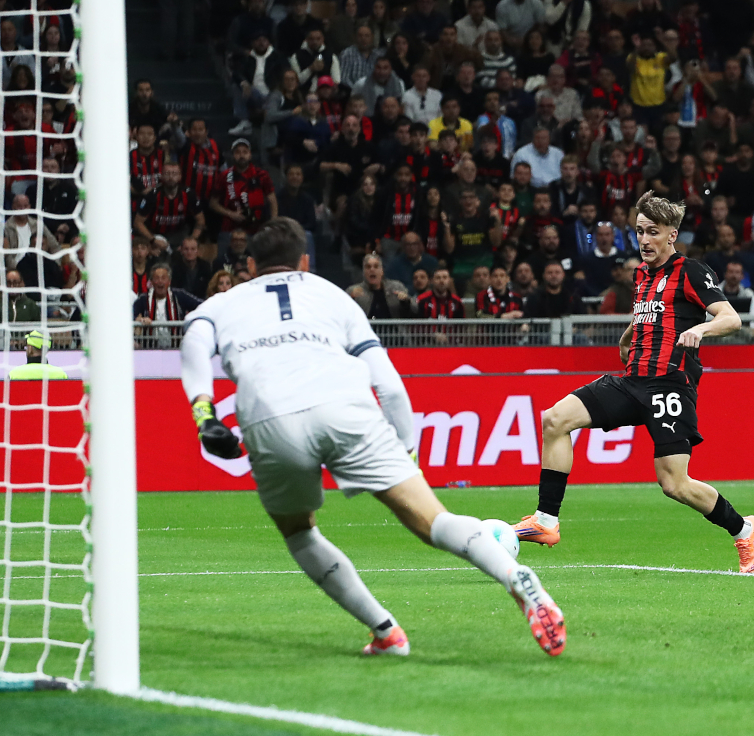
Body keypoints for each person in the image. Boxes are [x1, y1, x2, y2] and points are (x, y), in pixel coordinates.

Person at [178, 218, 566, 657]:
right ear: (304, 261)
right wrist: (408, 451)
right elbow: (389, 385)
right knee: (433, 520)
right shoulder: (332, 294)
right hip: (347, 407)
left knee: (300, 533)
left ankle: (386, 633)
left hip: (271, 416)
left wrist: (204, 414)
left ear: (249, 265)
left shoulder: (226, 301)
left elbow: (193, 341)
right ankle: (516, 577)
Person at [511, 192, 754, 575]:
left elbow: (731, 318)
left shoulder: (691, 271)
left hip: (670, 387)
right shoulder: (641, 274)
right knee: (554, 419)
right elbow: (654, 313)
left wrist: (702, 329)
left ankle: (744, 528)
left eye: (653, 232)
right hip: (631, 381)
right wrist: (630, 333)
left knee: (674, 484)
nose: (644, 240)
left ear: (672, 235)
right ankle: (546, 521)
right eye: (640, 231)